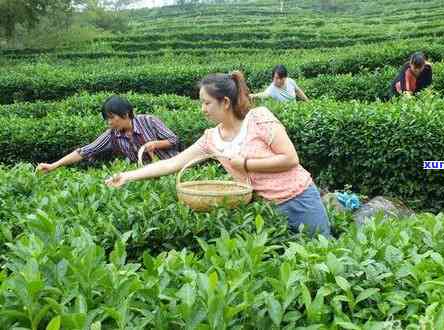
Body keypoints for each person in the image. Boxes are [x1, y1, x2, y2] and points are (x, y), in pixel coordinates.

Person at [106, 72, 330, 237]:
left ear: (225, 102)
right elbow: (172, 164)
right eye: (201, 102)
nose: (202, 109)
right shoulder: (211, 138)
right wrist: (127, 176)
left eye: (206, 103)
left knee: (321, 250)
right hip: (264, 208)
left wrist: (244, 164)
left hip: (298, 199)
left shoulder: (259, 118)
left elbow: (290, 159)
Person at [36, 95, 180, 173]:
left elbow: (174, 140)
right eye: (107, 119)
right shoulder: (111, 135)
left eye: (112, 118)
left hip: (174, 167)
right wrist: (54, 165)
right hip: (148, 175)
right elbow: (84, 151)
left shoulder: (149, 121)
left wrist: (155, 144)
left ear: (125, 114)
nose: (109, 123)